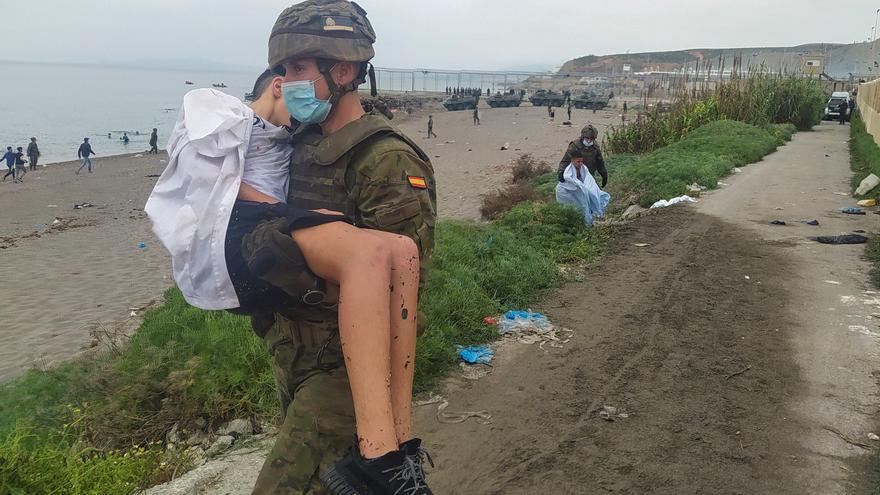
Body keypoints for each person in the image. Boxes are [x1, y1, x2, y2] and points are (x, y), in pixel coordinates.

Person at [249, 1, 437, 493]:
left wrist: (280, 249)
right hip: (291, 354)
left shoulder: (385, 160)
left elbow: (403, 290)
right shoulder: (297, 142)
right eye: (283, 69)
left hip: (343, 374)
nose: (286, 80)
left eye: (299, 68)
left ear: (345, 70)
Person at [556, 149, 610, 225]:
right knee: (573, 209)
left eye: (582, 161)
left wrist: (590, 191)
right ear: (572, 161)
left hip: (577, 191)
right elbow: (570, 181)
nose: (580, 163)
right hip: (565, 192)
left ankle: (589, 222)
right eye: (578, 162)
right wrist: (582, 188)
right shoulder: (567, 172)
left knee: (599, 196)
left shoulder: (583, 168)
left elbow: (589, 180)